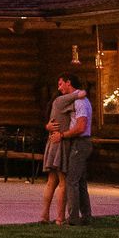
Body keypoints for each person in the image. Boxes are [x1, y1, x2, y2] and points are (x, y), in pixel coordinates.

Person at [37, 83, 82, 223]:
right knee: (63, 182)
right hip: (61, 144)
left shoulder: (54, 104)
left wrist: (48, 127)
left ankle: (44, 215)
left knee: (51, 181)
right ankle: (60, 218)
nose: (60, 88)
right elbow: (81, 94)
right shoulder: (61, 101)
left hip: (52, 144)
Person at [57, 72, 93, 225]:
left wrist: (63, 135)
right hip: (80, 143)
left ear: (68, 82)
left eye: (61, 84)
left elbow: (80, 126)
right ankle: (86, 216)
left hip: (80, 142)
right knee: (81, 181)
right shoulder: (77, 100)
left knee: (71, 181)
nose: (59, 88)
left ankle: (72, 218)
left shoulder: (80, 102)